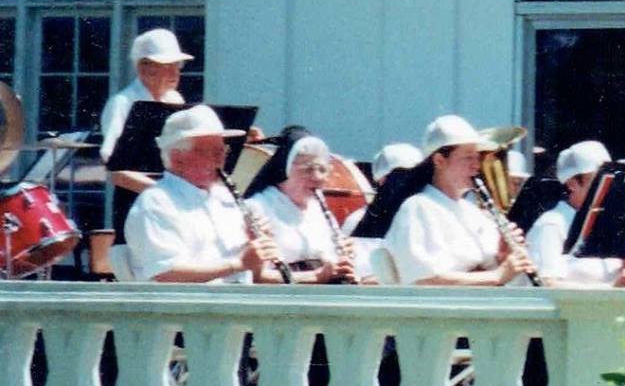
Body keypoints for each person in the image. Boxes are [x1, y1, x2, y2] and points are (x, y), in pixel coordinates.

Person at [124, 105, 275, 284]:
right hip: (185, 308)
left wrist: (257, 246)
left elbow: (252, 271)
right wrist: (238, 264)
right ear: (177, 158)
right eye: (210, 152)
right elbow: (166, 272)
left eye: (222, 151)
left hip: (235, 302)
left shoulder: (225, 198)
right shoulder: (156, 202)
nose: (220, 159)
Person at [384, 115, 528, 287]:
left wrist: (502, 257)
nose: (477, 165)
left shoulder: (475, 213)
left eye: (477, 157)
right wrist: (497, 275)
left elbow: (493, 274)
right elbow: (425, 279)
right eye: (468, 157)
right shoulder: (417, 207)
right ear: (439, 160)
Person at [246, 133, 358, 284]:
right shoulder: (257, 208)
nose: (317, 177)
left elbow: (329, 265)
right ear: (285, 170)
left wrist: (341, 266)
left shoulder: (319, 210)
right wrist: (315, 277)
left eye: (323, 170)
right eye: (308, 169)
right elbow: (252, 276)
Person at [527, 139, 625, 287]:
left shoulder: (611, 221)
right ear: (572, 183)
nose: (606, 185)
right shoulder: (552, 224)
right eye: (597, 179)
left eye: (609, 178)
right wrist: (611, 289)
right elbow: (546, 284)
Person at [101, 28, 193, 195]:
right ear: (144, 69)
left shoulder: (175, 100)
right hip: (135, 199)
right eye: (168, 65)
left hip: (171, 196)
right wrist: (162, 194)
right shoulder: (122, 103)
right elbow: (115, 169)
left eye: (177, 65)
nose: (175, 72)